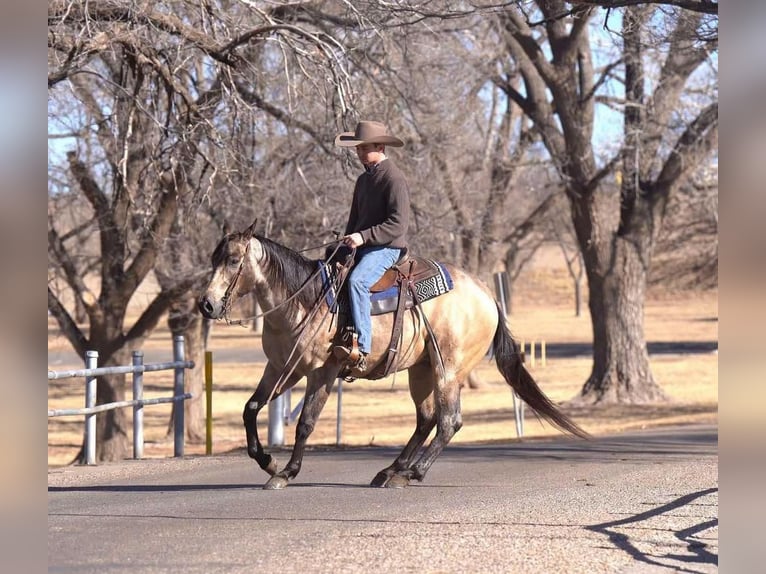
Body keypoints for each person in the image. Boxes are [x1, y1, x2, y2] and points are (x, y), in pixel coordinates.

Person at [333, 120, 411, 373]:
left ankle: (363, 347)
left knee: (357, 281)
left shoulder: (394, 179)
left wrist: (363, 237)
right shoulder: (362, 181)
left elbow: (397, 225)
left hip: (388, 248)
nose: (359, 153)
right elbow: (354, 221)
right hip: (364, 245)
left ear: (380, 146)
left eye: (363, 148)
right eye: (357, 149)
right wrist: (345, 245)